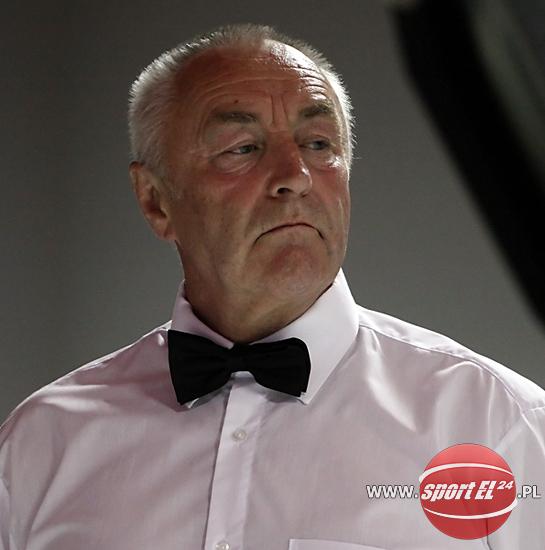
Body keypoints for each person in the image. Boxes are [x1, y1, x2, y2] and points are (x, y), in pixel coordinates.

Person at [1, 23, 544, 550]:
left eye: (318, 143)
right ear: (155, 200)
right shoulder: (40, 445)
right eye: (242, 147)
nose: (294, 176)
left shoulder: (496, 423)